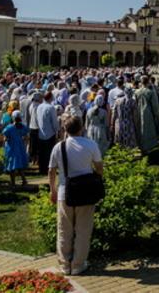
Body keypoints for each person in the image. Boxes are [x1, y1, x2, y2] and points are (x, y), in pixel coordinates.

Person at [48, 113, 104, 276]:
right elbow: (99, 167)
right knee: (83, 229)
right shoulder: (90, 144)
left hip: (65, 192)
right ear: (81, 128)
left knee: (64, 230)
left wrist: (52, 190)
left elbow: (51, 170)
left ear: (65, 129)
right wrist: (96, 176)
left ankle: (65, 265)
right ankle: (78, 264)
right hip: (86, 191)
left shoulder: (59, 147)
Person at [3, 110, 30, 186]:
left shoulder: (9, 128)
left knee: (12, 165)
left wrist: (7, 139)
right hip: (20, 147)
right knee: (20, 165)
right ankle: (24, 180)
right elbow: (26, 137)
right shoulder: (23, 127)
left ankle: (13, 182)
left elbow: (5, 138)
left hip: (11, 148)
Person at [35, 91, 59, 175]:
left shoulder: (39, 106)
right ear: (50, 98)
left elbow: (37, 119)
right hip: (50, 133)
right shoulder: (51, 107)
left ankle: (42, 169)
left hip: (41, 133)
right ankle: (49, 169)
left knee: (42, 153)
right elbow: (54, 122)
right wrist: (57, 131)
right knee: (49, 153)